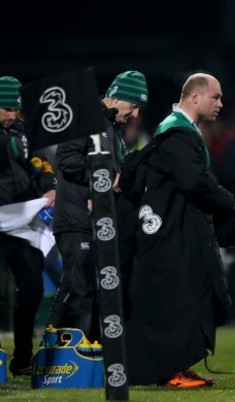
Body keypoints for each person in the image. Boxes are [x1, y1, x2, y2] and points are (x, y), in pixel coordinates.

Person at [125, 73, 235, 387]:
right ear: (195, 97)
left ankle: (178, 366)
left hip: (172, 225)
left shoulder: (177, 129)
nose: (220, 104)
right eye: (215, 97)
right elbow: (193, 182)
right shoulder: (176, 131)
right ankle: (169, 370)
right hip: (169, 230)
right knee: (177, 295)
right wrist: (228, 202)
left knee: (188, 291)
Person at [48, 70, 148, 342]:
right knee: (77, 288)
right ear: (116, 98)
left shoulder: (111, 128)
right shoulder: (84, 116)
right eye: (134, 106)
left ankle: (85, 354)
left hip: (94, 220)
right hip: (75, 218)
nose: (136, 115)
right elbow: (66, 161)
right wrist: (102, 179)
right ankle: (55, 354)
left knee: (87, 288)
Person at [0, 76, 56, 376]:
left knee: (32, 290)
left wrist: (49, 187)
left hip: (22, 225)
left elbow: (40, 164)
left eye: (16, 110)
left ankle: (22, 358)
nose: (12, 115)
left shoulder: (23, 133)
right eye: (7, 109)